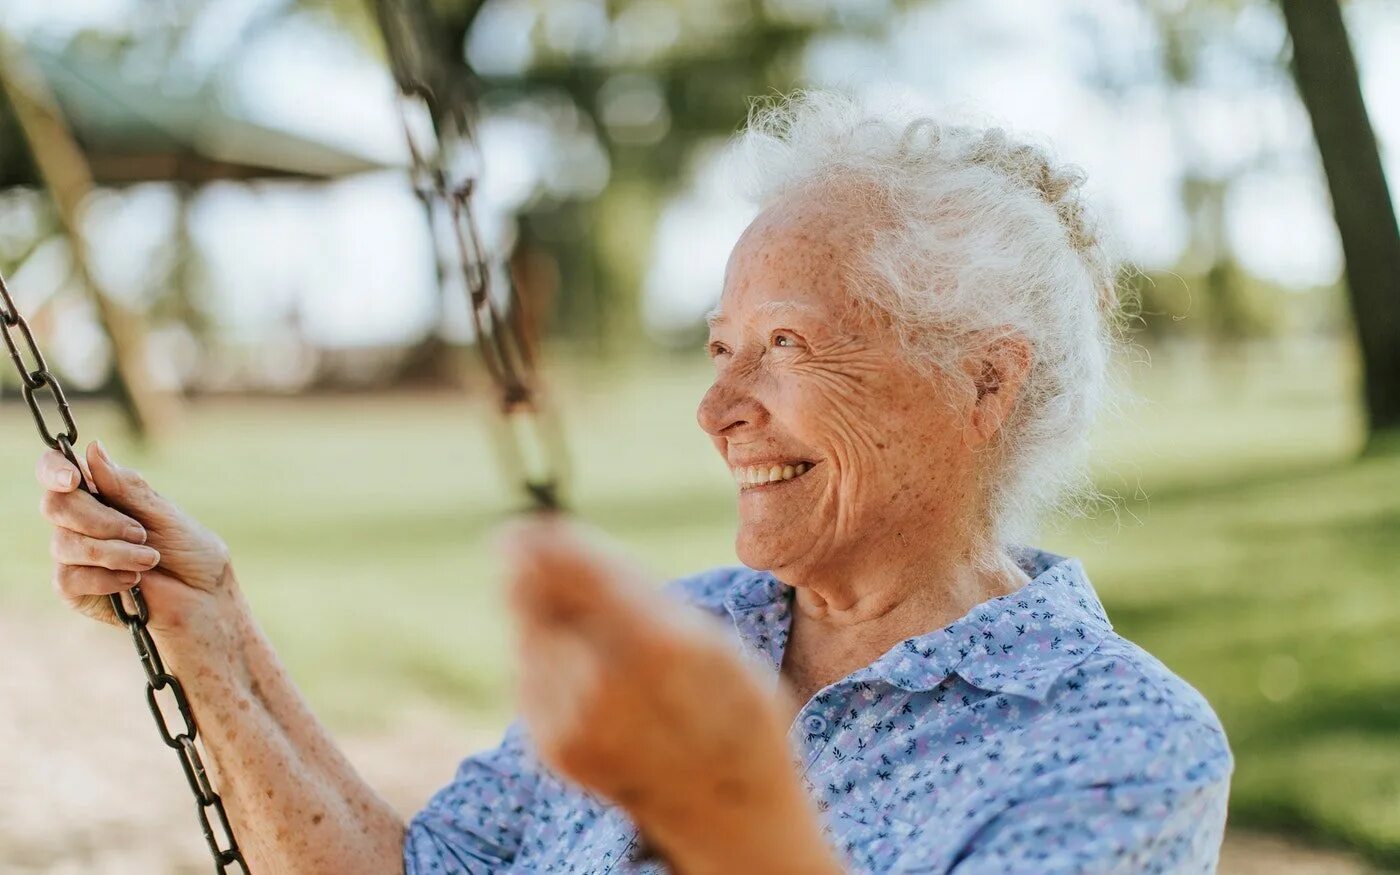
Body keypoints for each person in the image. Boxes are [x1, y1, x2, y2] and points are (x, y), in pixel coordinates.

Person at [34, 91, 1232, 873]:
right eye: (719, 348)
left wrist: (723, 808)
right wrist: (212, 630)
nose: (717, 411)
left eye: (789, 346)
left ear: (982, 383)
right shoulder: (684, 629)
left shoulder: (1117, 744)